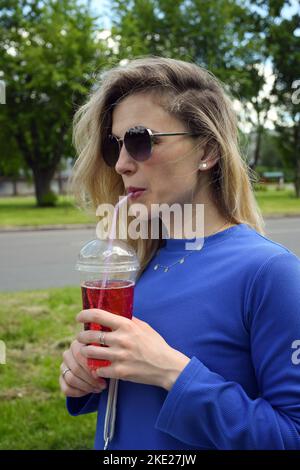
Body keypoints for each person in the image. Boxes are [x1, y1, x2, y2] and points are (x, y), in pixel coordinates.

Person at [59, 56, 300, 450]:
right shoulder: (141, 263)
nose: (121, 164)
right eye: (113, 145)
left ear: (207, 149)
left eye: (139, 141)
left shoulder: (270, 272)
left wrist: (173, 372)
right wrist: (85, 379)